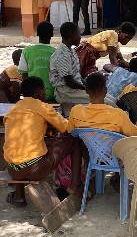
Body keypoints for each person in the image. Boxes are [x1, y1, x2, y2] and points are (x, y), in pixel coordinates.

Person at [4, 77, 83, 206]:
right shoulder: (41, 106)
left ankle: (19, 197)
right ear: (38, 93)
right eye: (43, 91)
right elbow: (66, 128)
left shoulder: (13, 109)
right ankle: (74, 186)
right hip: (35, 170)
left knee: (22, 150)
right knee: (73, 141)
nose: (45, 94)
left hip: (12, 170)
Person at [67, 72, 137, 136]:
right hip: (112, 151)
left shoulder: (76, 111)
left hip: (87, 150)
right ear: (105, 90)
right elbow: (136, 135)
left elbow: (70, 132)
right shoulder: (119, 115)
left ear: (86, 90)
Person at [50, 22, 89, 106]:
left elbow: (76, 75)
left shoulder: (71, 50)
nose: (80, 37)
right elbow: (70, 82)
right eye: (78, 34)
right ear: (72, 35)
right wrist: (87, 89)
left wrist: (87, 84)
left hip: (74, 90)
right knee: (106, 102)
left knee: (108, 97)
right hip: (66, 93)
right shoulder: (62, 54)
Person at [18, 21, 56, 102]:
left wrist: (27, 94)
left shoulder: (27, 51)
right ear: (52, 34)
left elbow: (24, 74)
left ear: (37, 34)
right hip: (52, 95)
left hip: (32, 96)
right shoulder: (56, 52)